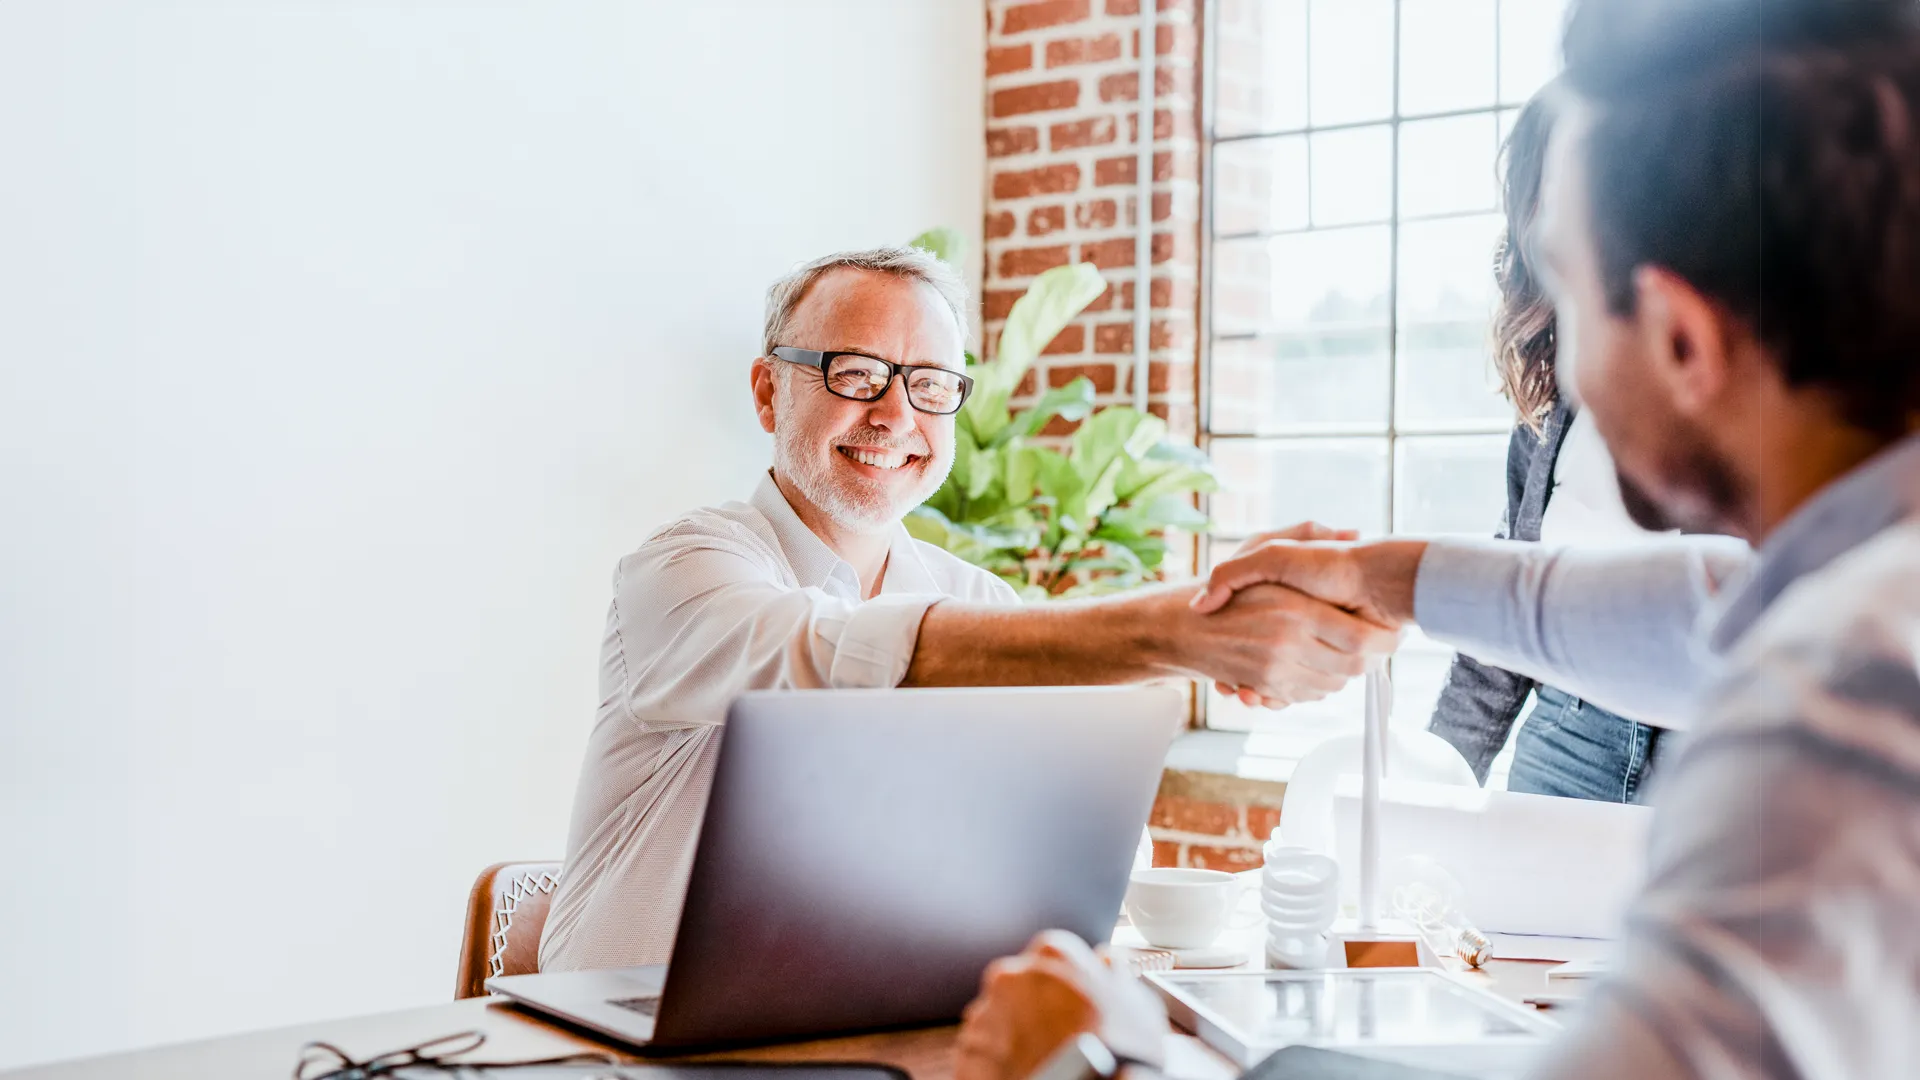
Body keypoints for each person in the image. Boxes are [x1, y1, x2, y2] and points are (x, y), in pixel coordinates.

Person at [959, 0, 1920, 1076]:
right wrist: (1382, 577)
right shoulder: (1869, 587)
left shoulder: (1846, 700)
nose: (1555, 349)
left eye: (1566, 285)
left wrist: (1100, 1061)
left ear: (1684, 339)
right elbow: (1707, 612)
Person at [538, 247, 1400, 972]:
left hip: (854, 1036)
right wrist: (1183, 628)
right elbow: (820, 655)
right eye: (858, 373)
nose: (894, 414)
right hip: (607, 1046)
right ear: (769, 393)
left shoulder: (978, 601)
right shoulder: (685, 568)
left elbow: (1068, 834)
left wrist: (1220, 631)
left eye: (929, 384)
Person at [1427, 91, 1700, 804]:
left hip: (1712, 752)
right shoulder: (1555, 408)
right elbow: (1507, 613)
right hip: (1569, 738)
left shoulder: (1748, 375)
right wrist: (1427, 788)